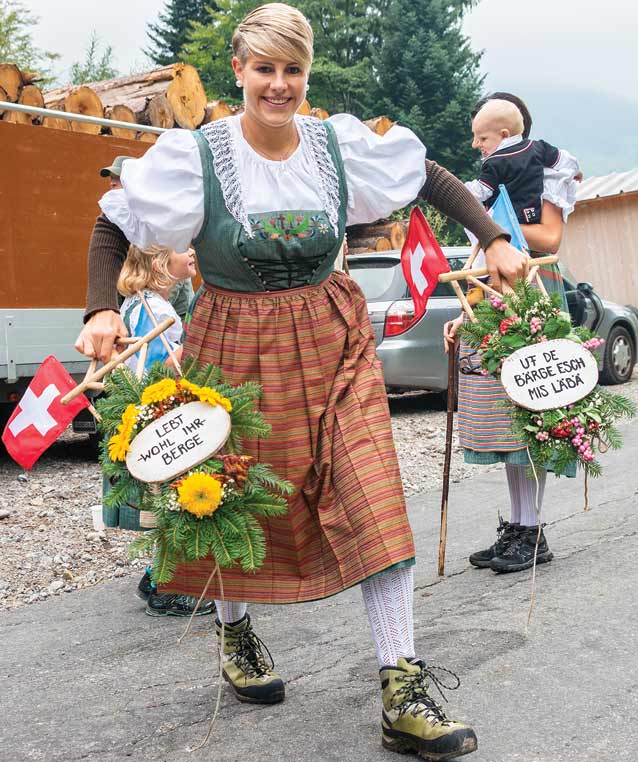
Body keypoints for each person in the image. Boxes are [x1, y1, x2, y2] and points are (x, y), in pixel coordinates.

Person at [75, 5, 529, 759]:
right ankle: (236, 631)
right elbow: (113, 221)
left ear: (305, 74)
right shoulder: (198, 154)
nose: (279, 85)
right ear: (240, 71)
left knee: (373, 494)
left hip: (333, 339)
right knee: (234, 501)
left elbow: (427, 176)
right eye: (265, 70)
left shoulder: (335, 145)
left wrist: (496, 241)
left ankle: (402, 687)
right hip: (233, 341)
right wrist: (98, 307)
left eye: (293, 70)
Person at [443, 92, 581, 574]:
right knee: (505, 421)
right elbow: (484, 257)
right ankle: (520, 526)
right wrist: (467, 313)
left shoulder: (542, 174)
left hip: (536, 296)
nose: (477, 145)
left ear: (509, 134)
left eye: (483, 136)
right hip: (496, 298)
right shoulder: (495, 178)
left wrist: (497, 231)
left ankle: (533, 528)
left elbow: (548, 238)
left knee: (531, 415)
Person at [106, 244, 214, 618]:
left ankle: (155, 576)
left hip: (143, 412)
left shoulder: (137, 303)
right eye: (182, 249)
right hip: (162, 412)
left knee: (169, 497)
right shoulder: (159, 310)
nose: (192, 252)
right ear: (159, 263)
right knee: (177, 498)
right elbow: (165, 365)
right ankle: (169, 587)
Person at [97, 157, 194, 320]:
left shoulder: (155, 222)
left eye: (118, 178)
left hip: (165, 309)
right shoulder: (117, 222)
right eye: (111, 178)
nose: (112, 183)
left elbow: (162, 292)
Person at [464, 99, 574, 225]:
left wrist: (459, 189)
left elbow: (481, 191)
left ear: (504, 135)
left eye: (483, 138)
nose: (476, 144)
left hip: (505, 220)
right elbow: (565, 159)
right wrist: (574, 171)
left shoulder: (494, 163)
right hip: (533, 216)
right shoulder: (537, 147)